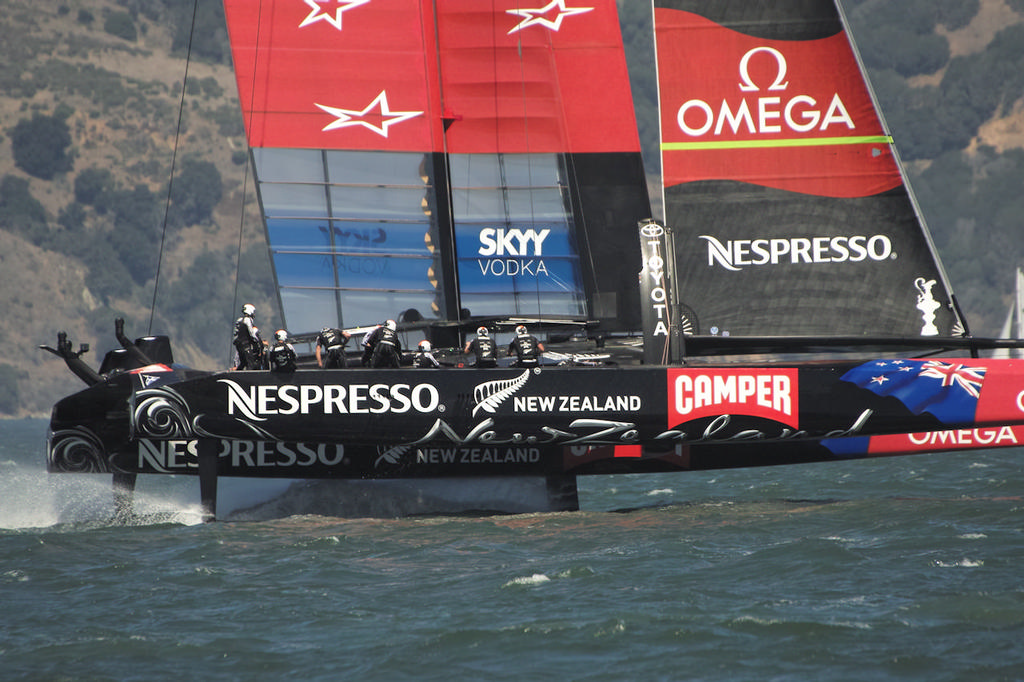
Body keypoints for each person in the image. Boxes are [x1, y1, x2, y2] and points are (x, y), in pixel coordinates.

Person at [232, 303, 261, 370]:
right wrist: (257, 341)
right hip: (245, 344)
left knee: (243, 362)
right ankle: (249, 377)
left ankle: (237, 373)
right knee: (251, 363)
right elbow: (251, 333)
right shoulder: (247, 320)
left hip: (238, 345)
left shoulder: (239, 320)